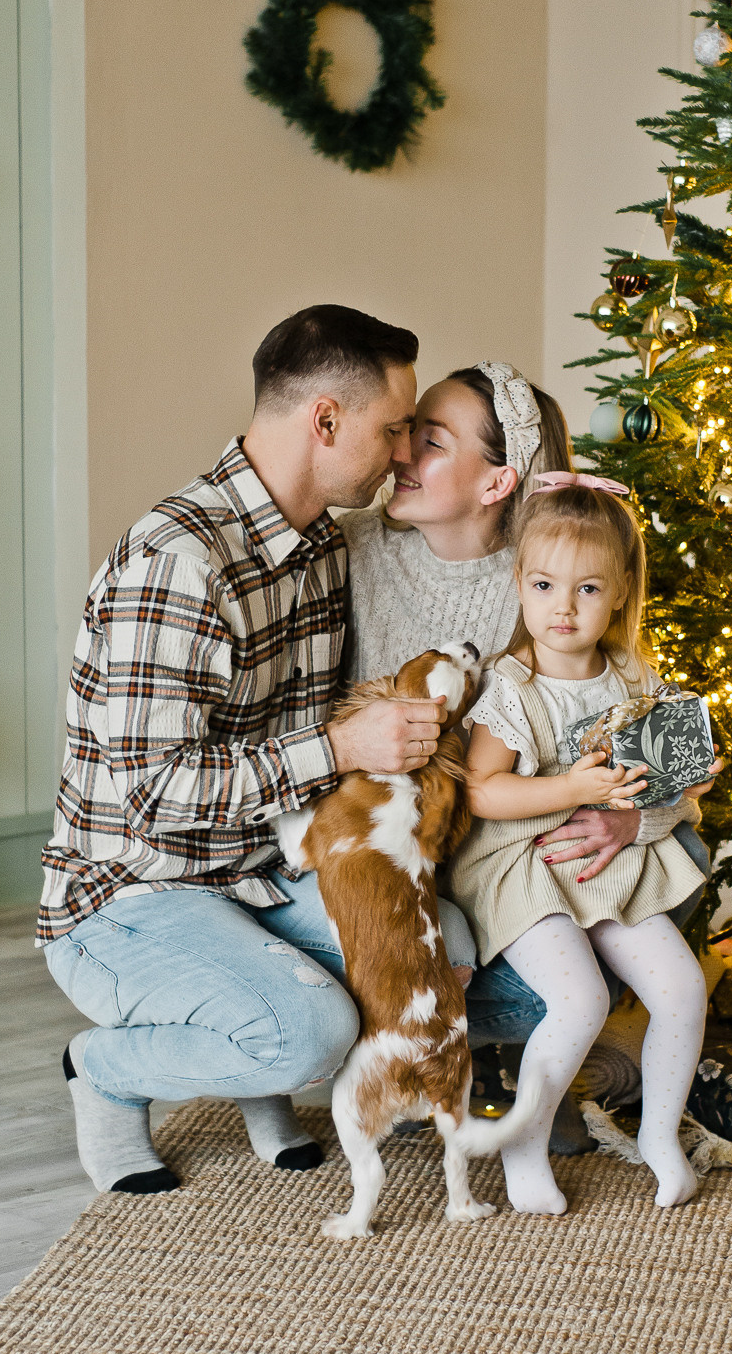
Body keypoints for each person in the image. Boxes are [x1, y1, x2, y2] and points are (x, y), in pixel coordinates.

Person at [39, 305, 457, 1193]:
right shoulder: (177, 561)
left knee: (443, 939)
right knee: (308, 1039)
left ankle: (260, 1057)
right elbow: (154, 797)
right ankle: (103, 1073)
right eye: (391, 431)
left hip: (253, 872)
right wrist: (339, 745)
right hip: (128, 895)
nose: (400, 456)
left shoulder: (318, 548)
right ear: (326, 421)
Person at [331, 363, 712, 1150]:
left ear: (498, 479)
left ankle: (540, 1063)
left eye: (427, 441)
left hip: (530, 837)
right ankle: (448, 1059)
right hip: (421, 841)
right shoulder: (351, 551)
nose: (398, 453)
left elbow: (646, 733)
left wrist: (630, 817)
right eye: (404, 433)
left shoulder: (555, 577)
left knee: (675, 853)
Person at [449, 475, 716, 1216]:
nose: (563, 607)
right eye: (544, 584)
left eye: (588, 588)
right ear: (519, 584)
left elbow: (669, 795)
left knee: (682, 988)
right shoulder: (513, 687)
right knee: (579, 999)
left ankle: (659, 1136)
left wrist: (681, 780)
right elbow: (482, 791)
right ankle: (524, 1143)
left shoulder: (633, 677)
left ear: (623, 592)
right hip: (524, 866)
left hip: (610, 862)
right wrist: (574, 789)